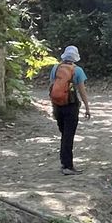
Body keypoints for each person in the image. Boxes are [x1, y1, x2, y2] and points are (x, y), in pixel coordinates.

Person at [49, 45, 91, 175]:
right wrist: (87, 108)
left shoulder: (55, 68)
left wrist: (53, 106)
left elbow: (51, 86)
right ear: (75, 58)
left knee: (64, 135)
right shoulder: (77, 71)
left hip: (57, 105)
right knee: (68, 136)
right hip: (71, 106)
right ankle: (68, 166)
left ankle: (64, 163)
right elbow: (82, 91)